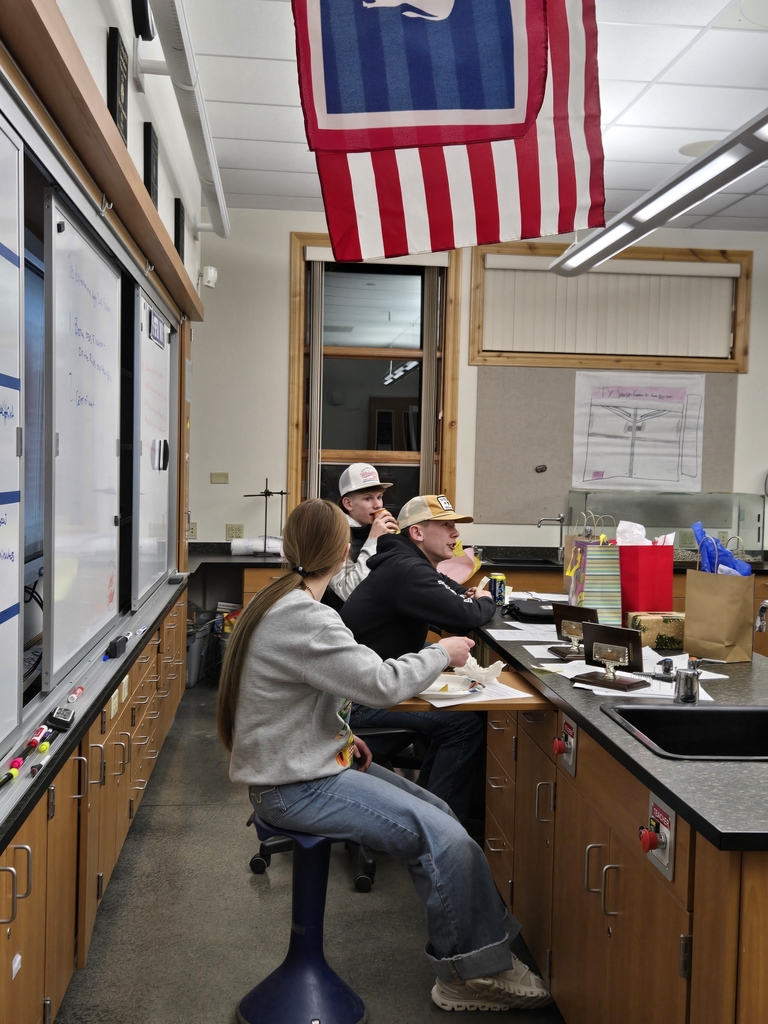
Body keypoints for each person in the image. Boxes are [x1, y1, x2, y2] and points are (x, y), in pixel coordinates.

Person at [217, 498, 550, 1012]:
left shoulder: (278, 601)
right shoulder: (308, 617)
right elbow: (380, 683)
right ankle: (470, 974)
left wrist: (339, 733)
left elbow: (287, 698)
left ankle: (477, 954)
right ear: (342, 550)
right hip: (295, 786)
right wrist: (444, 652)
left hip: (303, 765)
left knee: (440, 815)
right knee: (444, 839)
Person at [340, 494, 496, 823]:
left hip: (367, 683)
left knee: (458, 710)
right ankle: (438, 825)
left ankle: (427, 809)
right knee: (465, 725)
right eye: (447, 525)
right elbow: (466, 616)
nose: (455, 534)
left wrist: (468, 601)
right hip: (360, 699)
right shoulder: (408, 569)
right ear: (418, 534)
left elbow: (451, 602)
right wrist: (484, 599)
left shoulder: (406, 562)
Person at [325, 462, 399, 608]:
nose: (378, 505)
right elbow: (348, 591)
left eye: (379, 497)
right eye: (368, 498)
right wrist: (373, 541)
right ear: (348, 504)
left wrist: (393, 541)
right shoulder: (334, 534)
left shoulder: (380, 530)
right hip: (342, 623)